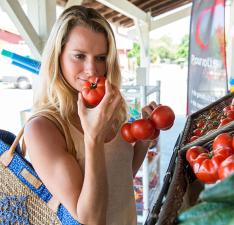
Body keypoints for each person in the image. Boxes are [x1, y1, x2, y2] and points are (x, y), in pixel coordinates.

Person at [23, 5, 157, 225]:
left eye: (101, 58)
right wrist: (92, 138)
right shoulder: (43, 128)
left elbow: (121, 176)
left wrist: (144, 138)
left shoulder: (109, 107)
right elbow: (90, 220)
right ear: (58, 56)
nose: (92, 70)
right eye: (79, 56)